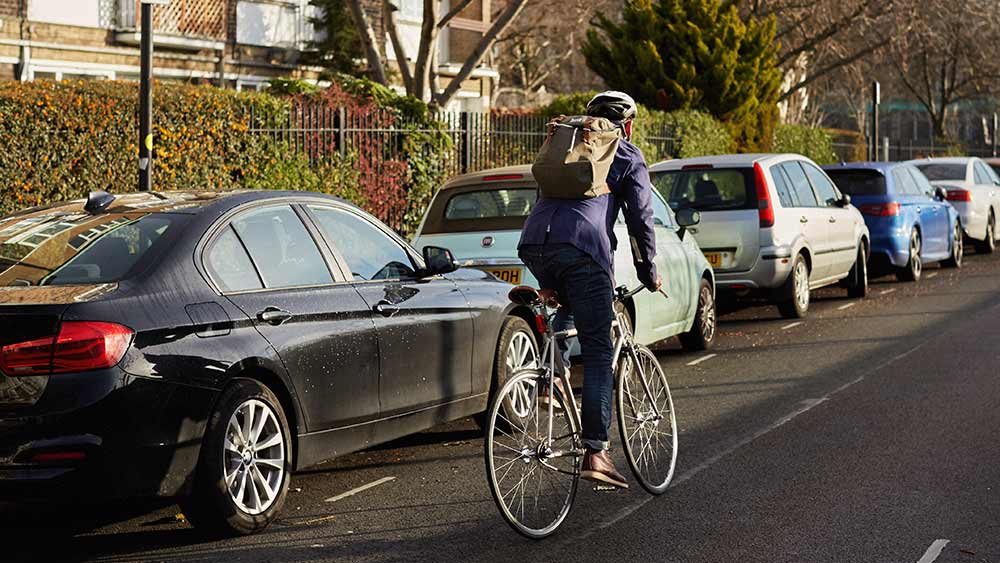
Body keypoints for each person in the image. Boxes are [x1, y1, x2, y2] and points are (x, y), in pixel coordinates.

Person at [518, 91, 661, 489]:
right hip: (584, 250)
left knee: (570, 299)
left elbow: (543, 198)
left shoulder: (566, 145)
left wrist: (547, 275)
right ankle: (597, 452)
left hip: (535, 245)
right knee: (599, 352)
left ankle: (550, 381)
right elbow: (641, 218)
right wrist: (650, 271)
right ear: (628, 124)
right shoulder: (626, 153)